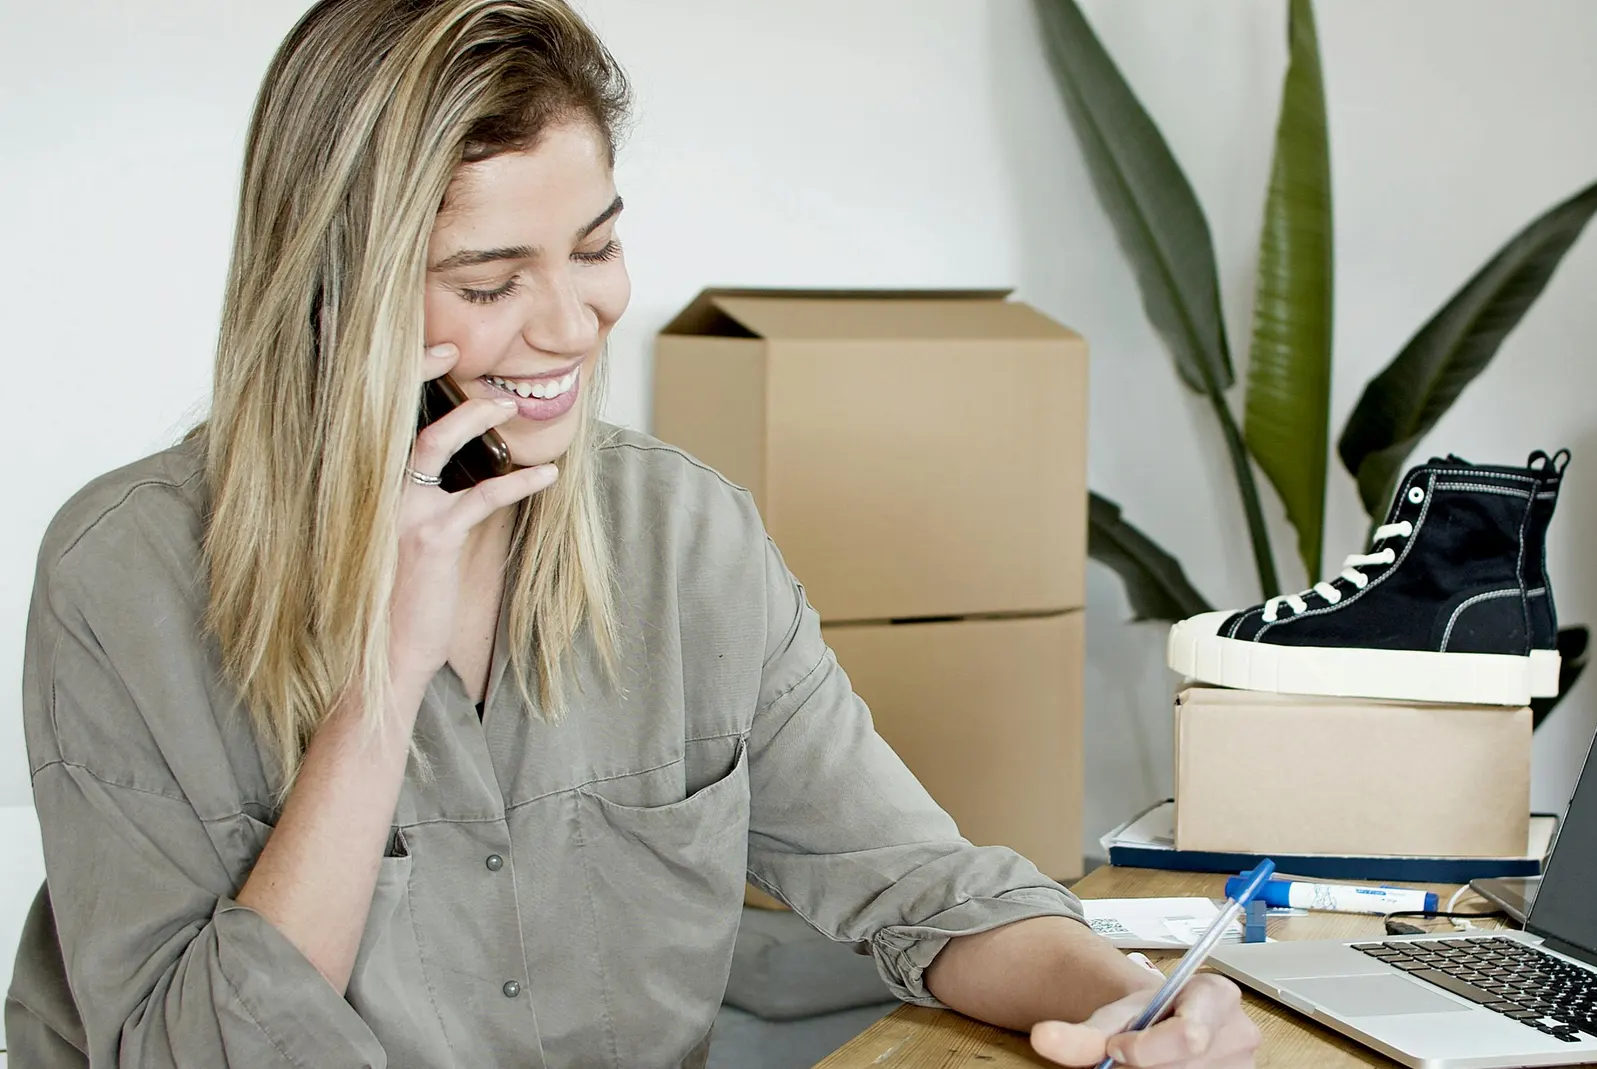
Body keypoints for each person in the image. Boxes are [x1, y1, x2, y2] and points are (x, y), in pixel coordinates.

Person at [4, 2, 1258, 1067]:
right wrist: (379, 689)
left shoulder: (682, 537)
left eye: (597, 247)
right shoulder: (122, 577)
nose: (573, 322)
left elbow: (919, 887)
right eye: (490, 283)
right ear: (334, 290)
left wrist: (1130, 1003)